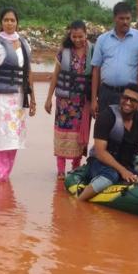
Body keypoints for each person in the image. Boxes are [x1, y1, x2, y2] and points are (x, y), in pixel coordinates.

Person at [78, 84, 138, 201]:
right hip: (100, 163)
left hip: (125, 164)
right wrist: (122, 171)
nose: (128, 102)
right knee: (111, 176)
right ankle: (79, 201)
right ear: (121, 98)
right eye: (125, 98)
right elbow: (100, 152)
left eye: (133, 100)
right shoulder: (107, 116)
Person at [0, 7, 36, 183]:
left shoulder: (24, 44)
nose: (9, 23)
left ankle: (4, 175)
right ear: (1, 22)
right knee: (2, 138)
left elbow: (29, 72)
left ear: (17, 22)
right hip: (1, 99)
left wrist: (33, 99)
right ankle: (0, 177)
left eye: (12, 20)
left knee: (14, 139)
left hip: (19, 99)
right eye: (6, 20)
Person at [44, 20, 93, 179]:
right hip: (64, 103)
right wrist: (48, 98)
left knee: (79, 136)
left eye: (81, 36)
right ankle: (60, 170)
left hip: (82, 103)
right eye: (74, 36)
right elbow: (55, 76)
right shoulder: (63, 52)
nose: (77, 40)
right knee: (62, 134)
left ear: (86, 34)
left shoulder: (92, 51)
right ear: (70, 35)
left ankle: (76, 168)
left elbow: (97, 76)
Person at [91, 2, 138, 117]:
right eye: (121, 18)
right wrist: (93, 100)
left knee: (128, 131)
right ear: (114, 18)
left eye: (128, 18)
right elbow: (96, 70)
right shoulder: (102, 39)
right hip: (106, 93)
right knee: (105, 130)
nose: (125, 22)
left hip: (130, 95)